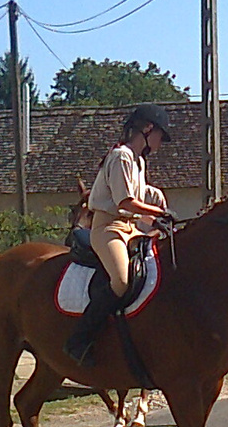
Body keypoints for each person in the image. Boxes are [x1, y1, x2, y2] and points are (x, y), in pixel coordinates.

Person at [64, 103, 173, 365]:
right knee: (121, 280)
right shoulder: (121, 156)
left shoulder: (138, 161)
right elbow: (126, 202)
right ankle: (79, 340)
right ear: (147, 129)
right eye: (159, 134)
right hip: (108, 228)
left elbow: (143, 193)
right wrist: (158, 214)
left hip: (130, 228)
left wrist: (160, 205)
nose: (160, 141)